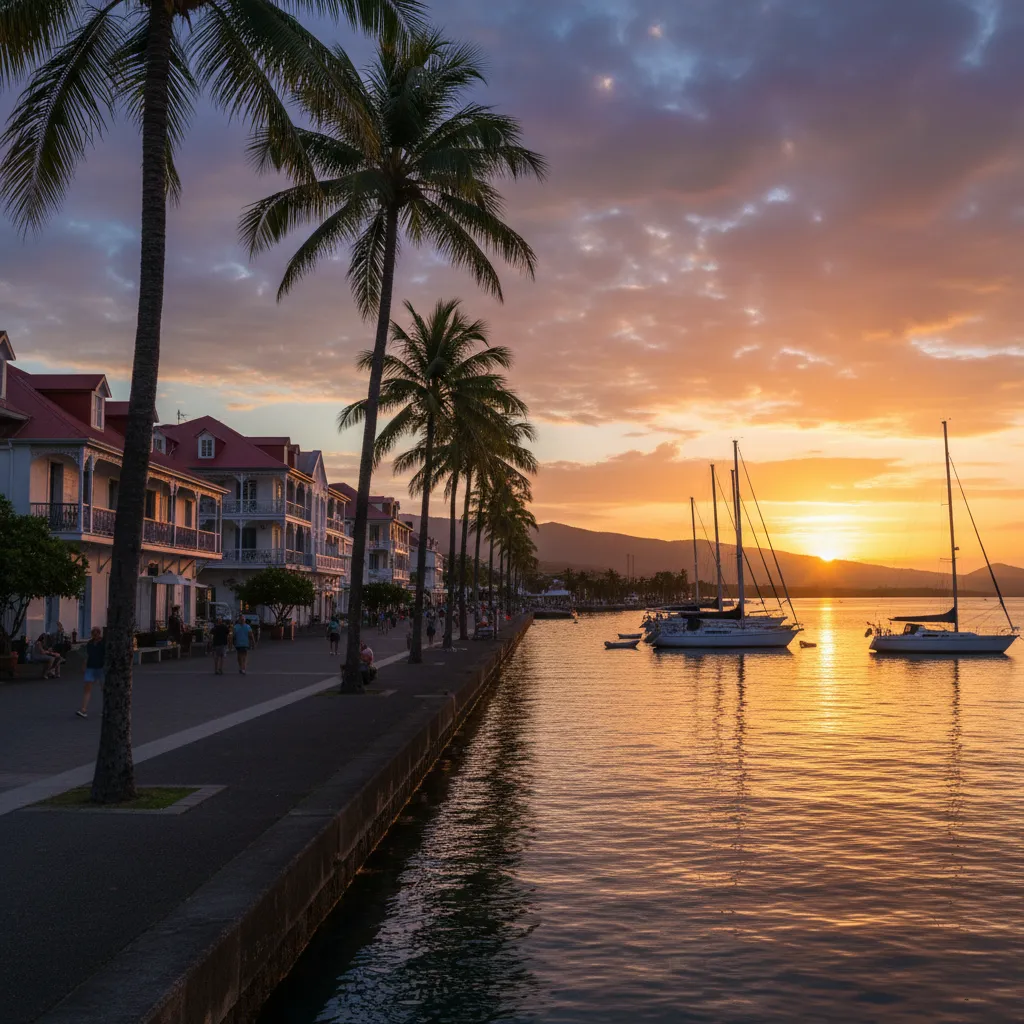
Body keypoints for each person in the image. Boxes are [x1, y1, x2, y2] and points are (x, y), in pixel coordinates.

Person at [77, 626, 105, 718]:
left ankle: (106, 709)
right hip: (91, 667)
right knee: (87, 688)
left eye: (96, 633)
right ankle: (83, 709)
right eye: (93, 633)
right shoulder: (90, 643)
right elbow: (87, 655)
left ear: (99, 633)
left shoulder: (103, 642)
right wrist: (84, 665)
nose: (94, 635)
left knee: (104, 689)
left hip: (101, 667)